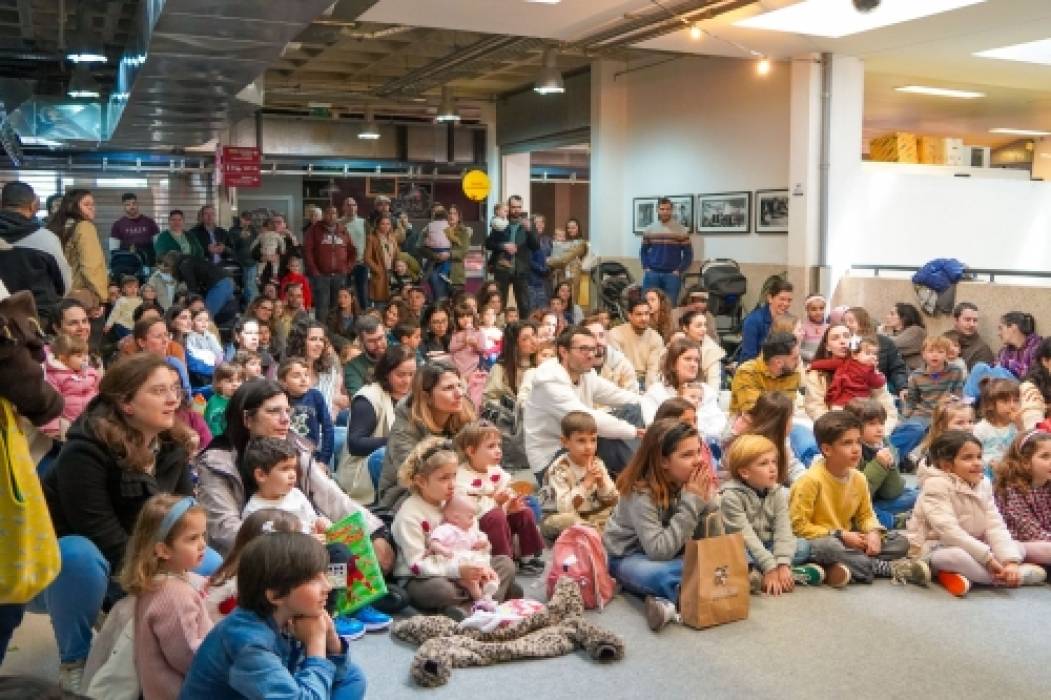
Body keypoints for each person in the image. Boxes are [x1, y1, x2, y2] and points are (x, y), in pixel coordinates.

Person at [37, 354, 219, 690]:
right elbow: (100, 531)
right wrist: (151, 584)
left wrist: (179, 568)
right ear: (127, 404)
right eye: (158, 391)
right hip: (81, 566)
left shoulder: (172, 445)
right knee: (77, 554)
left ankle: (178, 643)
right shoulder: (85, 450)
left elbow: (184, 517)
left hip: (149, 553)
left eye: (175, 390)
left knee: (211, 562)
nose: (172, 399)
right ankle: (74, 659)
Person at [180, 532, 366, 700]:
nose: (328, 586)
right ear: (275, 595)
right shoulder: (248, 642)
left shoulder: (288, 613)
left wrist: (333, 643)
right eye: (313, 580)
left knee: (352, 678)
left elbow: (339, 673)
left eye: (324, 575)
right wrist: (316, 643)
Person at [789, 411, 927, 588]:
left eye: (858, 442)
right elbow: (798, 527)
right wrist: (841, 535)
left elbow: (866, 515)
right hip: (820, 539)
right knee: (829, 548)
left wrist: (873, 533)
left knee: (900, 542)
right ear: (827, 449)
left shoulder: (858, 478)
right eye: (847, 443)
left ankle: (841, 567)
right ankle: (884, 568)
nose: (856, 449)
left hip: (848, 538)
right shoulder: (809, 481)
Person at [603, 420, 717, 632]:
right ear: (663, 461)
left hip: (673, 554)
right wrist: (692, 502)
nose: (698, 461)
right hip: (629, 556)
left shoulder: (684, 481)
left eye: (698, 452)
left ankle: (669, 601)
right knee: (662, 575)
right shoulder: (641, 493)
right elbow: (659, 551)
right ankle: (677, 597)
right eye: (687, 455)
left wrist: (706, 496)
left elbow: (706, 523)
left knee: (731, 553)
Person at [391, 438, 519, 619]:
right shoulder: (409, 514)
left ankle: (476, 603)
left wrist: (482, 557)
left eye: (454, 476)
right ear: (420, 481)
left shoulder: (457, 501)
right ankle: (485, 600)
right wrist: (457, 571)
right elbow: (416, 565)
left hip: (465, 565)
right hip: (425, 577)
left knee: (505, 564)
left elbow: (475, 534)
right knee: (441, 590)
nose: (452, 484)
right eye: (444, 478)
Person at [907, 431, 1046, 597]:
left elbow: (995, 525)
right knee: (955, 557)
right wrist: (987, 558)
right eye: (968, 458)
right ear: (946, 465)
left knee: (1015, 546)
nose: (977, 463)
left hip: (977, 545)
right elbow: (950, 533)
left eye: (979, 457)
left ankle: (971, 576)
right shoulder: (935, 485)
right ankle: (1011, 578)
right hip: (938, 545)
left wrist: (1010, 561)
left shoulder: (983, 483)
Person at [122, 494, 212, 700]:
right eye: (192, 538)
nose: (202, 545)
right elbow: (188, 655)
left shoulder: (160, 583)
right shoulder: (174, 596)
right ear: (163, 550)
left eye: (203, 535)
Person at [523, 326, 643, 480]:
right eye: (584, 349)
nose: (591, 355)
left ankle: (633, 475)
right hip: (552, 457)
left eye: (593, 349)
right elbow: (585, 420)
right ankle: (636, 477)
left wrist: (648, 403)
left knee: (633, 410)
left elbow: (617, 395)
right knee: (611, 431)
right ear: (563, 352)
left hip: (580, 444)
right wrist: (633, 431)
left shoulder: (586, 373)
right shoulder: (549, 380)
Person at [720, 435, 821, 595]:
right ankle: (776, 575)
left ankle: (768, 575)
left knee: (802, 546)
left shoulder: (777, 492)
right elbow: (746, 537)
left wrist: (782, 564)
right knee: (738, 556)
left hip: (768, 545)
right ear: (745, 472)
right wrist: (770, 566)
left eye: (773, 461)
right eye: (764, 463)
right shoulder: (730, 496)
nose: (773, 468)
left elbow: (783, 529)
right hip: (745, 548)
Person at [375, 361, 476, 509]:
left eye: (459, 385)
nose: (459, 393)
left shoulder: (464, 413)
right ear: (426, 396)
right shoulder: (405, 427)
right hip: (407, 497)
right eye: (448, 388)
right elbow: (415, 477)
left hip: (454, 486)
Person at [453, 421, 545, 574]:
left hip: (500, 512)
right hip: (479, 524)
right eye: (491, 446)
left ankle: (527, 557)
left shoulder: (494, 469)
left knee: (525, 511)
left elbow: (506, 487)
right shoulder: (462, 476)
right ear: (471, 451)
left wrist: (512, 502)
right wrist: (497, 503)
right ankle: (504, 560)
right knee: (496, 517)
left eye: (499, 445)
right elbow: (471, 510)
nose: (498, 451)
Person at [336, 345, 416, 502]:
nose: (407, 380)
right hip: (362, 470)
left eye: (412, 374)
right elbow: (355, 444)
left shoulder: (413, 395)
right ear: (386, 373)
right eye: (401, 375)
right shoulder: (368, 398)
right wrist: (398, 441)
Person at [804, 324, 899, 431]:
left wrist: (882, 431)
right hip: (834, 428)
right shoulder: (817, 375)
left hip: (869, 425)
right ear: (827, 346)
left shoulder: (868, 368)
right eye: (836, 338)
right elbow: (816, 409)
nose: (843, 341)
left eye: (846, 336)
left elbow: (885, 403)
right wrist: (838, 431)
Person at [539, 411, 618, 539]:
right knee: (569, 521)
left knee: (624, 510)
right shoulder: (560, 469)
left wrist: (601, 483)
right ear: (565, 442)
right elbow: (564, 508)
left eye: (593, 440)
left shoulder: (597, 462)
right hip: (561, 515)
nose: (589, 447)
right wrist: (586, 484)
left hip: (592, 514)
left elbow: (613, 499)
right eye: (581, 441)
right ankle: (594, 533)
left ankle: (595, 531)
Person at [0, 181, 69, 326]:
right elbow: (65, 284)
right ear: (32, 206)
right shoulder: (46, 239)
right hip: (37, 320)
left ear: (2, 204)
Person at [843, 398, 917, 530]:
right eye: (872, 424)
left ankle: (892, 516)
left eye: (881, 423)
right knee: (858, 516)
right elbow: (857, 495)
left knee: (915, 495)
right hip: (856, 504)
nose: (879, 429)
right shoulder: (850, 452)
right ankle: (896, 521)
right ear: (853, 427)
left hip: (879, 500)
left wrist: (890, 465)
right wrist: (879, 465)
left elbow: (892, 492)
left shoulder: (883, 443)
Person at [890, 336, 966, 459]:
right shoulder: (916, 376)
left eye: (940, 352)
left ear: (947, 354)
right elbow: (912, 401)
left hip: (944, 413)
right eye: (931, 351)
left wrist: (951, 408)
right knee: (915, 429)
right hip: (923, 413)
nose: (935, 355)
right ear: (923, 354)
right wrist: (905, 418)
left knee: (944, 431)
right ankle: (895, 455)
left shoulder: (955, 371)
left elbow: (958, 396)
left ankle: (916, 456)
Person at [240, 436, 332, 537]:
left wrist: (320, 523)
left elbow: (312, 520)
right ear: (261, 475)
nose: (293, 474)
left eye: (293, 468)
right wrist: (308, 542)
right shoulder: (254, 510)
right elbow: (268, 549)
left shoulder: (296, 494)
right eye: (285, 469)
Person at [640, 338, 724, 440]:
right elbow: (654, 428)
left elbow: (718, 425)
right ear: (673, 363)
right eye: (688, 359)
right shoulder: (656, 392)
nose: (693, 364)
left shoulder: (706, 391)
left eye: (696, 360)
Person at [427, 493, 500, 610]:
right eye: (471, 517)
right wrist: (444, 550)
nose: (473, 521)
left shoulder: (470, 529)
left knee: (490, 573)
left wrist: (482, 541)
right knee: (472, 583)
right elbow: (433, 542)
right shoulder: (446, 529)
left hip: (471, 560)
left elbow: (482, 537)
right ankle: (481, 602)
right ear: (456, 518)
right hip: (456, 563)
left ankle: (489, 590)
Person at [993, 430, 1051, 566]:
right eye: (1045, 456)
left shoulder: (1047, 484)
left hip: (1043, 542)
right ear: (1025, 462)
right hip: (1018, 543)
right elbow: (1031, 532)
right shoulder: (1012, 488)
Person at [49, 188, 108, 311]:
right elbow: (91, 267)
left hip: (59, 295)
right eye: (86, 204)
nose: (92, 208)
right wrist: (102, 298)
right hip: (83, 298)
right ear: (72, 206)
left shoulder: (56, 228)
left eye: (93, 204)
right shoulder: (84, 227)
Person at [40, 333, 101, 444]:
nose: (84, 359)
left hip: (91, 418)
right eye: (79, 356)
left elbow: (97, 390)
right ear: (63, 359)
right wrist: (52, 427)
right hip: (69, 421)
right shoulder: (55, 377)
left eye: (85, 355)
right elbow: (51, 402)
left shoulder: (90, 372)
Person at [485, 194, 539, 315]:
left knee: (524, 305)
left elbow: (536, 246)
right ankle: (497, 330)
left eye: (519, 207)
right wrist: (503, 246)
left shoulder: (528, 223)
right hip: (502, 268)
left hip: (521, 269)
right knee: (498, 303)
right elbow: (488, 243)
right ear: (508, 207)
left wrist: (529, 230)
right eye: (513, 207)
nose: (516, 210)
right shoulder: (501, 222)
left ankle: (525, 330)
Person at [730, 331, 802, 416]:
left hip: (779, 422)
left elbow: (786, 408)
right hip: (747, 424)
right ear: (779, 363)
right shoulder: (747, 372)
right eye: (795, 358)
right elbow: (753, 411)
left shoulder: (792, 372)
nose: (799, 361)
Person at [278, 357, 335, 465]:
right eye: (296, 376)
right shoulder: (279, 398)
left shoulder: (316, 396)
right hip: (286, 456)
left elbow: (328, 428)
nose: (303, 379)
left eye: (306, 374)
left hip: (312, 456)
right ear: (283, 382)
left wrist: (324, 460)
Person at [287, 318, 347, 419]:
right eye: (313, 339)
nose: (319, 344)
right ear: (300, 342)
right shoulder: (287, 371)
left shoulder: (329, 372)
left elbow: (334, 409)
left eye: (321, 340)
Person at [842, 307, 909, 396]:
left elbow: (897, 368)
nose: (846, 325)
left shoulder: (885, 342)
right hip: (849, 391)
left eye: (850, 321)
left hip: (879, 390)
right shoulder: (843, 343)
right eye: (843, 322)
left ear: (863, 322)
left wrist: (902, 388)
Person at [305, 205, 355, 324]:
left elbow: (352, 250)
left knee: (338, 306)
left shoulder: (343, 230)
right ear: (323, 215)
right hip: (321, 275)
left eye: (334, 213)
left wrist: (347, 268)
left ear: (337, 216)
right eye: (328, 213)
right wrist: (315, 271)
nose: (331, 216)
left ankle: (335, 333)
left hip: (339, 276)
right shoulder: (314, 230)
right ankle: (321, 333)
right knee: (322, 307)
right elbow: (307, 251)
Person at [807, 334, 885, 408]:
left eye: (874, 354)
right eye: (868, 353)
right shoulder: (846, 362)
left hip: (861, 401)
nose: (872, 357)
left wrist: (877, 373)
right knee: (836, 410)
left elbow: (877, 383)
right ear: (855, 355)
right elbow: (828, 364)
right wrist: (812, 365)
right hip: (843, 399)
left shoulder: (871, 370)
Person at [640, 197, 692, 305]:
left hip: (672, 275)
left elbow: (688, 254)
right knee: (648, 306)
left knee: (669, 307)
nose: (665, 212)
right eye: (662, 209)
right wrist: (646, 267)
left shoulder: (681, 230)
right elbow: (643, 251)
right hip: (652, 274)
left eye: (667, 209)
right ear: (657, 210)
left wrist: (679, 270)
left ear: (671, 210)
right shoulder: (649, 229)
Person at [607, 292, 663, 389]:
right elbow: (617, 368)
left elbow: (652, 371)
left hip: (645, 380)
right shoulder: (615, 334)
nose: (644, 318)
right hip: (621, 380)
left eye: (646, 314)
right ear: (629, 316)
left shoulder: (656, 338)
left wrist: (649, 394)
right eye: (639, 314)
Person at [164, 251, 235, 322]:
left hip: (219, 285)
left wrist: (187, 301)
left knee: (206, 315)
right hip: (226, 281)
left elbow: (192, 288)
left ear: (172, 264)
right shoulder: (190, 259)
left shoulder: (184, 265)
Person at [974, 378, 1023, 478]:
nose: (1012, 406)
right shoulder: (981, 428)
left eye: (1016, 400)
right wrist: (990, 464)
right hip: (987, 474)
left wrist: (1020, 426)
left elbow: (1025, 448)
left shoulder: (1017, 425)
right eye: (1005, 401)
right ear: (990, 405)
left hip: (1012, 472)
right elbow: (974, 454)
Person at [482, 320, 537, 406]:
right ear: (515, 344)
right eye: (525, 339)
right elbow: (489, 400)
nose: (534, 341)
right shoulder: (500, 369)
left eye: (534, 335)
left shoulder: (542, 363)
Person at [739, 278, 793, 363]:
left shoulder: (790, 320)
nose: (786, 304)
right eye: (782, 299)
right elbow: (749, 357)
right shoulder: (753, 321)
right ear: (770, 298)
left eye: (789, 300)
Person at [583, 316, 637, 397]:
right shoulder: (578, 366)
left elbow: (632, 399)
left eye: (601, 336)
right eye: (592, 337)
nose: (598, 341)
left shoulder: (623, 365)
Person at [674, 309, 724, 391]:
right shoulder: (675, 344)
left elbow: (714, 384)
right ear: (685, 328)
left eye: (705, 325)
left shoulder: (712, 350)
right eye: (698, 326)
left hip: (701, 395)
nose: (703, 329)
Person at [343, 315, 388, 398]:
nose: (378, 344)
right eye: (371, 341)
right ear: (361, 342)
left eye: (380, 338)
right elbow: (358, 398)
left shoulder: (398, 355)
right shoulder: (353, 367)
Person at [110, 192, 159, 266]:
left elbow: (158, 245)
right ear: (123, 206)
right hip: (127, 265)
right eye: (128, 204)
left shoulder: (150, 222)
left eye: (134, 203)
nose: (132, 206)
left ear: (137, 204)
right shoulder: (117, 225)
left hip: (149, 264)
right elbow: (113, 250)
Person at [944, 302, 995, 370]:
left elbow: (980, 379)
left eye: (975, 320)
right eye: (967, 320)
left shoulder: (982, 350)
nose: (972, 324)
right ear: (956, 320)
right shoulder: (944, 339)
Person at [362, 213, 398, 308]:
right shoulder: (372, 238)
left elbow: (396, 254)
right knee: (380, 303)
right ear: (377, 225)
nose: (386, 226)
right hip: (380, 274)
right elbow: (367, 258)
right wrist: (378, 270)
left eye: (388, 224)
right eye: (383, 224)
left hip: (392, 273)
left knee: (392, 302)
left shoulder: (393, 237)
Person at [204, 362, 242, 437]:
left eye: (239, 380)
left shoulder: (241, 398)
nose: (235, 384)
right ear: (218, 383)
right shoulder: (214, 402)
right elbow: (214, 426)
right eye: (230, 381)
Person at [229, 210, 259, 303]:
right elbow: (231, 245)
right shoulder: (233, 230)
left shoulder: (253, 230)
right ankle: (249, 306)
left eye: (249, 220)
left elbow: (258, 243)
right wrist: (240, 237)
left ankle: (252, 305)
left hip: (251, 261)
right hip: (237, 261)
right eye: (245, 219)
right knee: (244, 285)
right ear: (241, 218)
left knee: (250, 285)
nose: (247, 222)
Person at [800, 294, 828, 364]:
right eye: (813, 309)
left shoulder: (828, 327)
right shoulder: (802, 328)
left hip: (825, 365)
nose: (818, 312)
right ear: (807, 310)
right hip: (808, 366)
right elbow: (795, 349)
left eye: (821, 308)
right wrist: (811, 356)